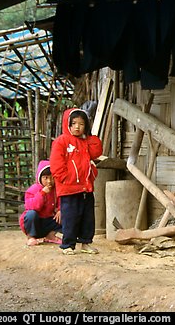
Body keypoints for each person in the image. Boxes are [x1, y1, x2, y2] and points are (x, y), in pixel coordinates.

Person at [50, 107, 103, 255]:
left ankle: (86, 243)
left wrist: (90, 136)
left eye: (81, 124)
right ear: (68, 124)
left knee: (87, 218)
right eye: (74, 123)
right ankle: (67, 245)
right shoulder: (61, 141)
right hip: (69, 188)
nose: (77, 127)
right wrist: (66, 179)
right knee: (71, 218)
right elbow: (56, 164)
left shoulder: (85, 142)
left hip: (86, 188)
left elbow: (97, 151)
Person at [19, 160, 62, 246]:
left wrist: (60, 210)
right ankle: (31, 237)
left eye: (52, 177)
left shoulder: (56, 190)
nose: (49, 181)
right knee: (31, 214)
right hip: (36, 222)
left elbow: (62, 201)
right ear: (40, 178)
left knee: (64, 214)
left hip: (48, 221)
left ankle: (50, 235)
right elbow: (32, 207)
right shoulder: (32, 190)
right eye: (45, 178)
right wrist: (42, 193)